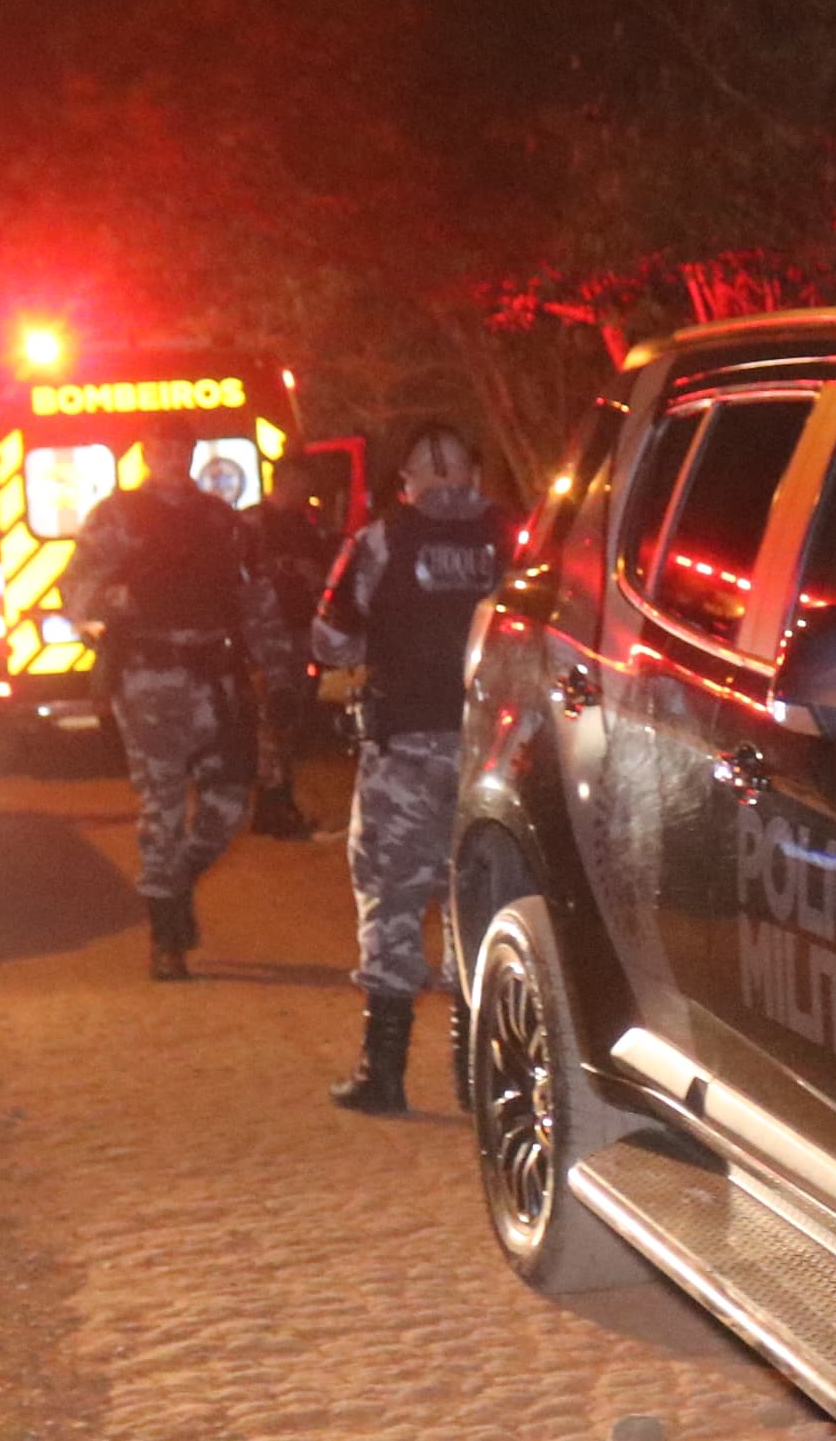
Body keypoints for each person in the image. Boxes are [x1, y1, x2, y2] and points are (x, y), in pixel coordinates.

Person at [310, 421, 519, 1111]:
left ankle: (385, 1071)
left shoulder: (379, 539)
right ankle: (476, 1076)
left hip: (403, 749)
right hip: (493, 750)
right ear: (474, 475)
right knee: (480, 899)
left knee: (393, 898)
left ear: (407, 482)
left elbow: (332, 639)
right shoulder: (516, 537)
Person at [66, 434, 291, 978]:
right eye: (161, 450)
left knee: (229, 803)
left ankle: (175, 883)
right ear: (146, 455)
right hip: (149, 676)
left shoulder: (221, 521)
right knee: (162, 809)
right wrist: (122, 602)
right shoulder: (117, 516)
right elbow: (76, 586)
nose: (171, 459)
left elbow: (253, 594)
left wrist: (278, 665)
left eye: (179, 449)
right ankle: (166, 935)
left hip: (215, 674)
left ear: (190, 455)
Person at [242, 473, 336, 838]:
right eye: (302, 487)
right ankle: (272, 805)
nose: (308, 493)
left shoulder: (304, 524)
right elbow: (243, 580)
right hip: (268, 633)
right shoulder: (252, 524)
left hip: (300, 629)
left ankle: (279, 801)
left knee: (289, 718)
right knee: (272, 717)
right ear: (285, 484)